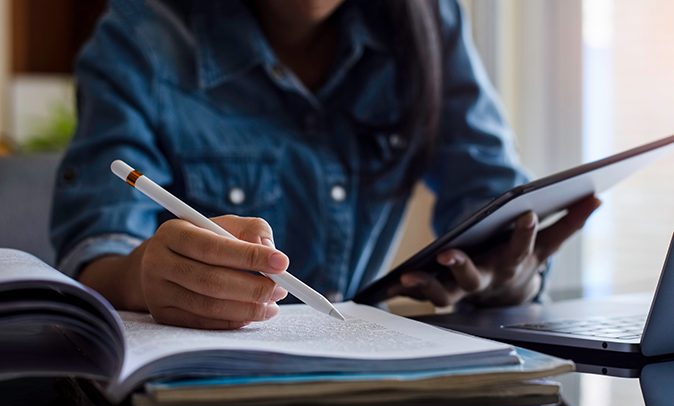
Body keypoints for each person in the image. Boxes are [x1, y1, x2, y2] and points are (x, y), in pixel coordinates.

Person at [51, 0, 600, 330]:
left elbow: (488, 198)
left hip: (367, 395)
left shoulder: (427, 21)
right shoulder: (139, 37)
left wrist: (509, 274)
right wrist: (141, 275)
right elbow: (97, 250)